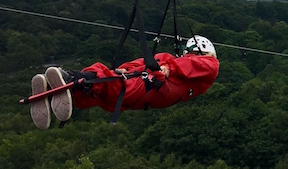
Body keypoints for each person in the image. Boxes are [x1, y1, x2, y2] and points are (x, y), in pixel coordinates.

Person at [30, 35, 220, 130]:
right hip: (147, 88)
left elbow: (187, 65)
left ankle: (70, 79)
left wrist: (169, 67)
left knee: (110, 86)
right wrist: (125, 69)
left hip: (151, 87)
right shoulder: (172, 62)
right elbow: (142, 63)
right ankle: (67, 94)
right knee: (106, 92)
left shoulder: (209, 65)